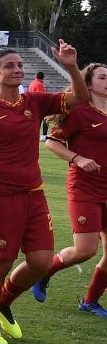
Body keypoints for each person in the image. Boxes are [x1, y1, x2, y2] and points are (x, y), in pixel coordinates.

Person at [0, 43, 86, 344]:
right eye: (9, 66)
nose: (17, 70)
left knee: (40, 261)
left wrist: (72, 66)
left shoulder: (34, 101)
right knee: (2, 261)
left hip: (34, 193)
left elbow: (80, 97)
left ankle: (3, 304)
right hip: (0, 194)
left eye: (20, 65)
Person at [35, 62, 107, 315]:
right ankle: (43, 273)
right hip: (85, 188)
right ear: (88, 83)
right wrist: (78, 158)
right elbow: (52, 142)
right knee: (85, 250)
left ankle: (90, 301)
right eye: (102, 77)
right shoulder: (79, 111)